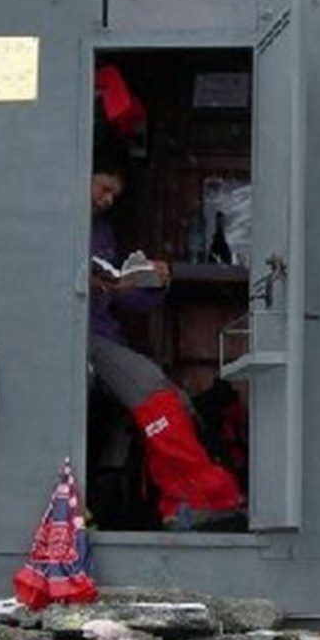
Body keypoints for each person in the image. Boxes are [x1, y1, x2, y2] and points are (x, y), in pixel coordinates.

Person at [89, 148, 245, 530]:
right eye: (104, 189)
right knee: (154, 394)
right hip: (79, 336)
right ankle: (201, 495)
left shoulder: (103, 231)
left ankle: (183, 502)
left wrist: (151, 281)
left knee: (177, 401)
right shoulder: (59, 221)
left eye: (114, 195)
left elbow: (121, 299)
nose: (108, 201)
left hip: (105, 335)